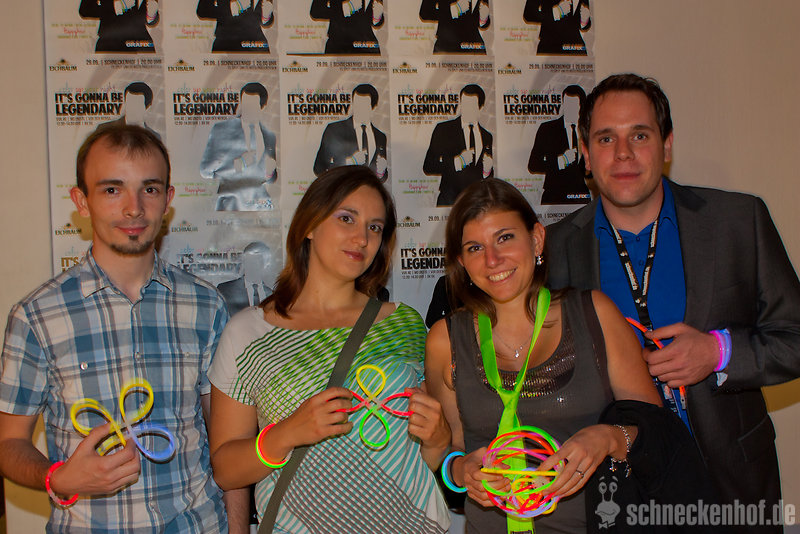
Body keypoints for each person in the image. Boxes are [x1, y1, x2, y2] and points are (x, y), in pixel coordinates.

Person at [547, 73, 800, 533]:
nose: (623, 153)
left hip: (732, 483)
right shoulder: (557, 248)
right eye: (606, 138)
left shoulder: (738, 221)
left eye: (640, 135)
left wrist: (718, 352)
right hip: (619, 492)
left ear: (666, 145)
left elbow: (794, 338)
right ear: (585, 151)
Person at [0, 124, 232, 533]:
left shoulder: (206, 305)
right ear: (81, 201)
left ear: (168, 200)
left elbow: (226, 444)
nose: (133, 208)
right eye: (112, 189)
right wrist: (57, 478)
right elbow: (9, 443)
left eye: (149, 189)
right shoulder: (36, 316)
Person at [208, 166, 451, 532]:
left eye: (374, 227)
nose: (362, 238)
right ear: (309, 224)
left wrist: (438, 439)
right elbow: (226, 470)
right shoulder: (249, 333)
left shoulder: (404, 323)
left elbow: (425, 462)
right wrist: (287, 433)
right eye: (346, 218)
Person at [425, 178, 668, 533]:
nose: (492, 260)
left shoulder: (594, 315)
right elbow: (453, 446)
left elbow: (657, 434)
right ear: (462, 262)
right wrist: (461, 471)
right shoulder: (445, 340)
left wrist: (608, 438)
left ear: (537, 239)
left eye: (505, 238)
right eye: (475, 248)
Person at [200, 82, 277, 211]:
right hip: (233, 207)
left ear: (262, 106)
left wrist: (269, 172)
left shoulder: (269, 136)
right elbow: (205, 171)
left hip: (258, 209)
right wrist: (240, 164)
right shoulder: (221, 129)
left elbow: (270, 179)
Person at [423, 84, 493, 206]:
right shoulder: (443, 129)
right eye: (464, 104)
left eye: (471, 106)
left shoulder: (487, 136)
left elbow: (487, 176)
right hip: (449, 202)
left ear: (480, 108)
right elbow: (428, 166)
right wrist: (457, 162)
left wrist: (487, 171)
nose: (466, 110)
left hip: (477, 202)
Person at [528, 84, 590, 205]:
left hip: (580, 196)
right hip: (554, 196)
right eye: (566, 104)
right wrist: (561, 161)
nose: (568, 109)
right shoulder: (547, 129)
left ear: (581, 106)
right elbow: (533, 165)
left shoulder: (588, 130)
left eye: (573, 105)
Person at [313, 84, 388, 181]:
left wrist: (381, 171)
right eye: (356, 104)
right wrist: (350, 162)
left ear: (374, 108)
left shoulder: (381, 137)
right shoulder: (334, 130)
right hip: (341, 189)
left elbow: (382, 178)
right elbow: (319, 169)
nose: (358, 110)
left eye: (364, 106)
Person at [217, 241, 274, 316]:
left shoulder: (272, 295)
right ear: (244, 261)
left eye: (259, 260)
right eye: (251, 260)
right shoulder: (225, 290)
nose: (255, 264)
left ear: (266, 264)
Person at [79, 0, 158, 53]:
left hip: (139, 42)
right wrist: (115, 7)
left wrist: (151, 16)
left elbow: (150, 19)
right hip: (109, 41)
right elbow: (85, 10)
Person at [196, 0, 273, 53]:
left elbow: (266, 22)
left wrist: (265, 16)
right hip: (226, 42)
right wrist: (232, 8)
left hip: (254, 44)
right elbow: (203, 10)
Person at [310, 0, 383, 54]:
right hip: (338, 44)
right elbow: (316, 11)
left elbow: (376, 21)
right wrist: (346, 8)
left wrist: (377, 17)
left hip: (365, 45)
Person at [419, 0, 489, 54]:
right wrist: (454, 10)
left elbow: (484, 23)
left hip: (474, 45)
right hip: (447, 44)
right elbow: (425, 13)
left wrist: (483, 19)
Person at [523, 0, 590, 55]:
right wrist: (556, 12)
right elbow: (529, 13)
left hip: (576, 48)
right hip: (550, 46)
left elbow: (584, 23)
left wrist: (584, 21)